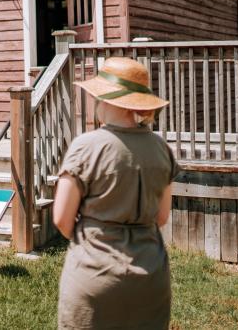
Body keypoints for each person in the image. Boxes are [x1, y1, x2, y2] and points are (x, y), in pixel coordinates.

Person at [53, 57, 178, 330]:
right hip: (150, 275)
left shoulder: (85, 146)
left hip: (93, 273)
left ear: (106, 100)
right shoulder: (162, 149)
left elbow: (62, 219)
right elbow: (162, 216)